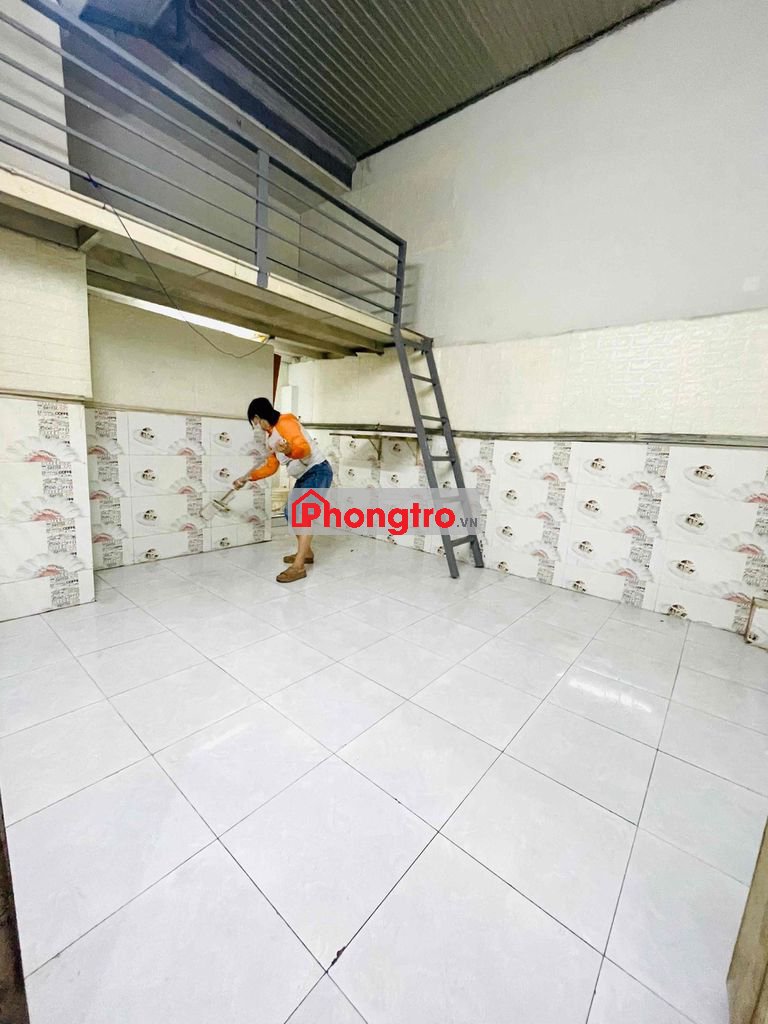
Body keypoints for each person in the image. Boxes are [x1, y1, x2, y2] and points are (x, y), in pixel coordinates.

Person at [233, 398, 333, 583]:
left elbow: (304, 449)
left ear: (258, 417)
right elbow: (271, 467)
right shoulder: (270, 438)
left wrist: (288, 449)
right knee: (290, 512)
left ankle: (299, 566)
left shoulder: (286, 422)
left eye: (255, 422)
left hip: (318, 470)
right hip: (305, 475)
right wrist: (247, 477)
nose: (257, 427)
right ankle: (307, 553)